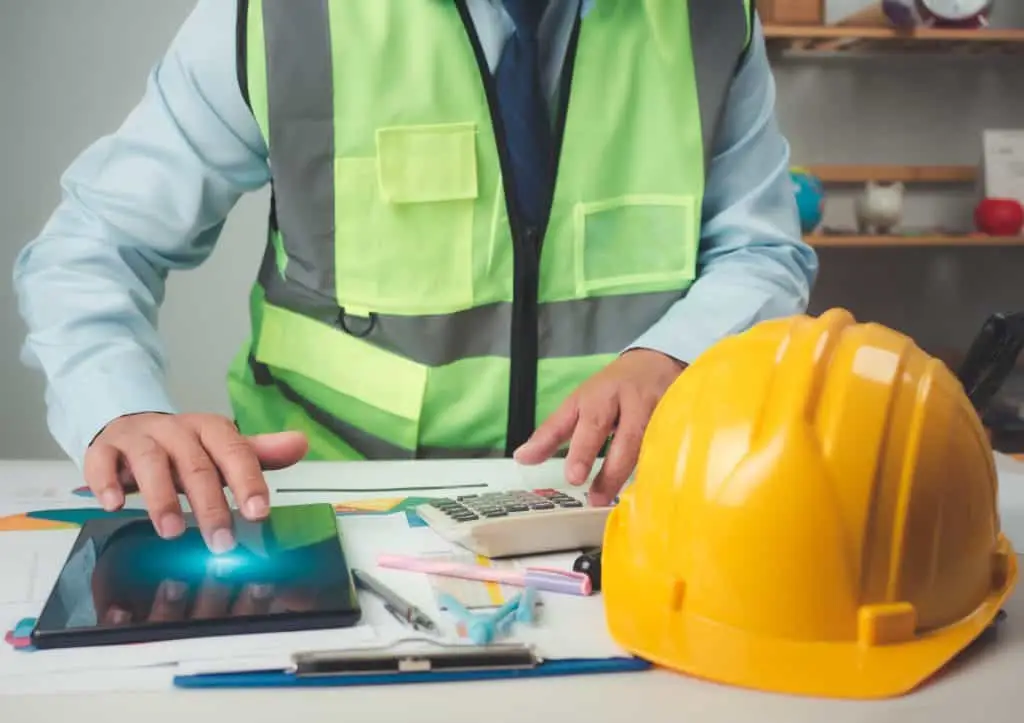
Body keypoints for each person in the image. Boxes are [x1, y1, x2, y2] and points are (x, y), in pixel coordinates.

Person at [13, 0, 817, 554]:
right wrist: (121, 407)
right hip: (330, 525)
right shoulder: (280, 15)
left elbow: (761, 249)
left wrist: (671, 353)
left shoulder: (709, 16)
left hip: (622, 522)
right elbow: (94, 242)